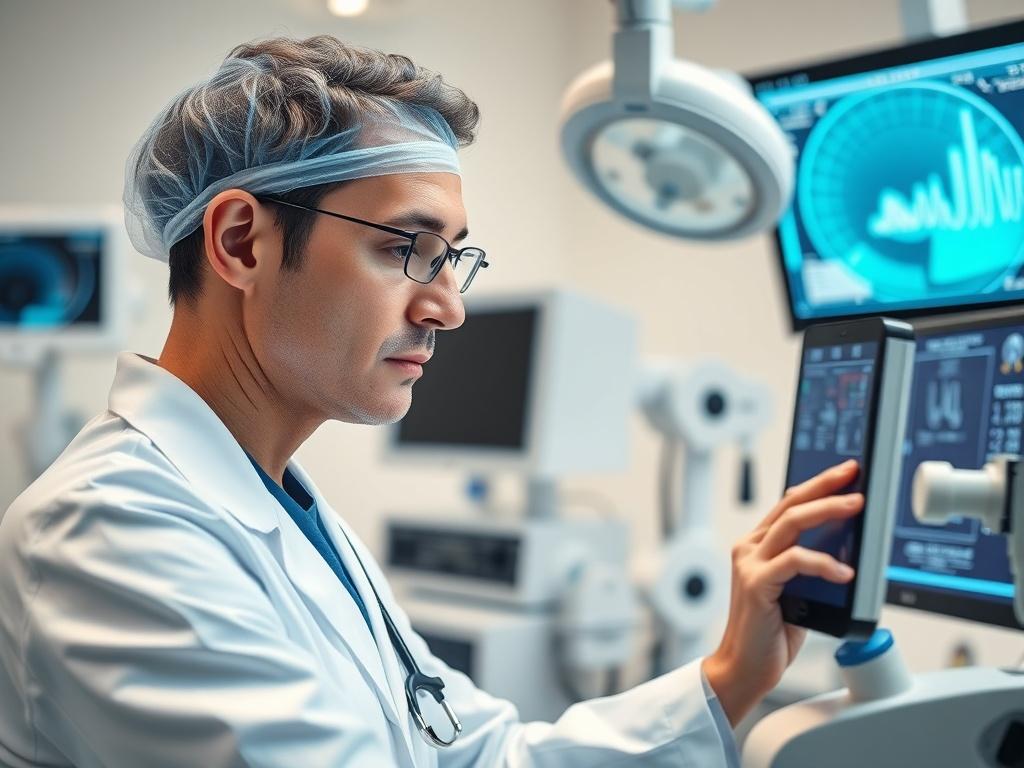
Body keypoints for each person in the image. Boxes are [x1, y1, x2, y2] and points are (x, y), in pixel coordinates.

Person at [0, 36, 865, 768]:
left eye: (456, 258)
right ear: (240, 242)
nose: (447, 305)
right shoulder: (109, 530)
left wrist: (730, 675)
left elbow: (474, 751)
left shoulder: (285, 508)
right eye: (406, 249)